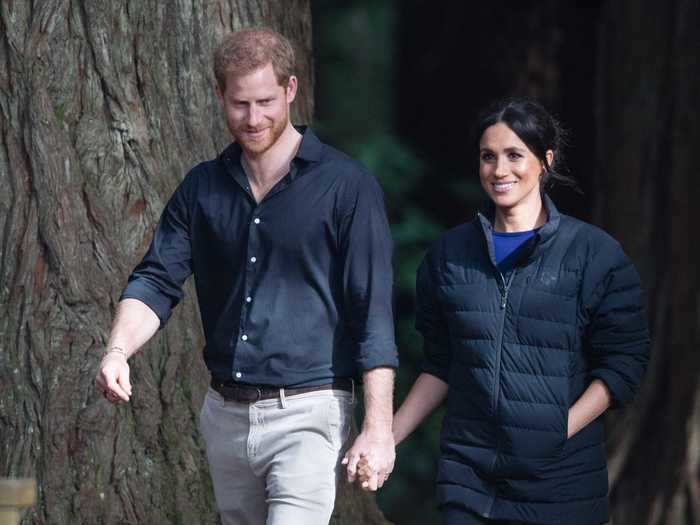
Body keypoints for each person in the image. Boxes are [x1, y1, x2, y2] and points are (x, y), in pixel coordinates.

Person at [95, 27, 397, 525]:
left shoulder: (347, 187)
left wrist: (379, 428)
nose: (253, 119)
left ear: (291, 90)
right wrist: (118, 350)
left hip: (309, 410)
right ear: (219, 96)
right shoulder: (202, 187)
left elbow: (373, 313)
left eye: (265, 102)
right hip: (225, 417)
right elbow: (156, 280)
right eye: (239, 104)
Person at [365, 99, 650, 524]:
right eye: (488, 157)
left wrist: (559, 430)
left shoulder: (595, 254)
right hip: (469, 480)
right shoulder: (449, 256)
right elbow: (440, 365)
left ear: (545, 161)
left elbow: (624, 363)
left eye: (515, 155)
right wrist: (386, 439)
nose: (500, 170)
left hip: (562, 486)